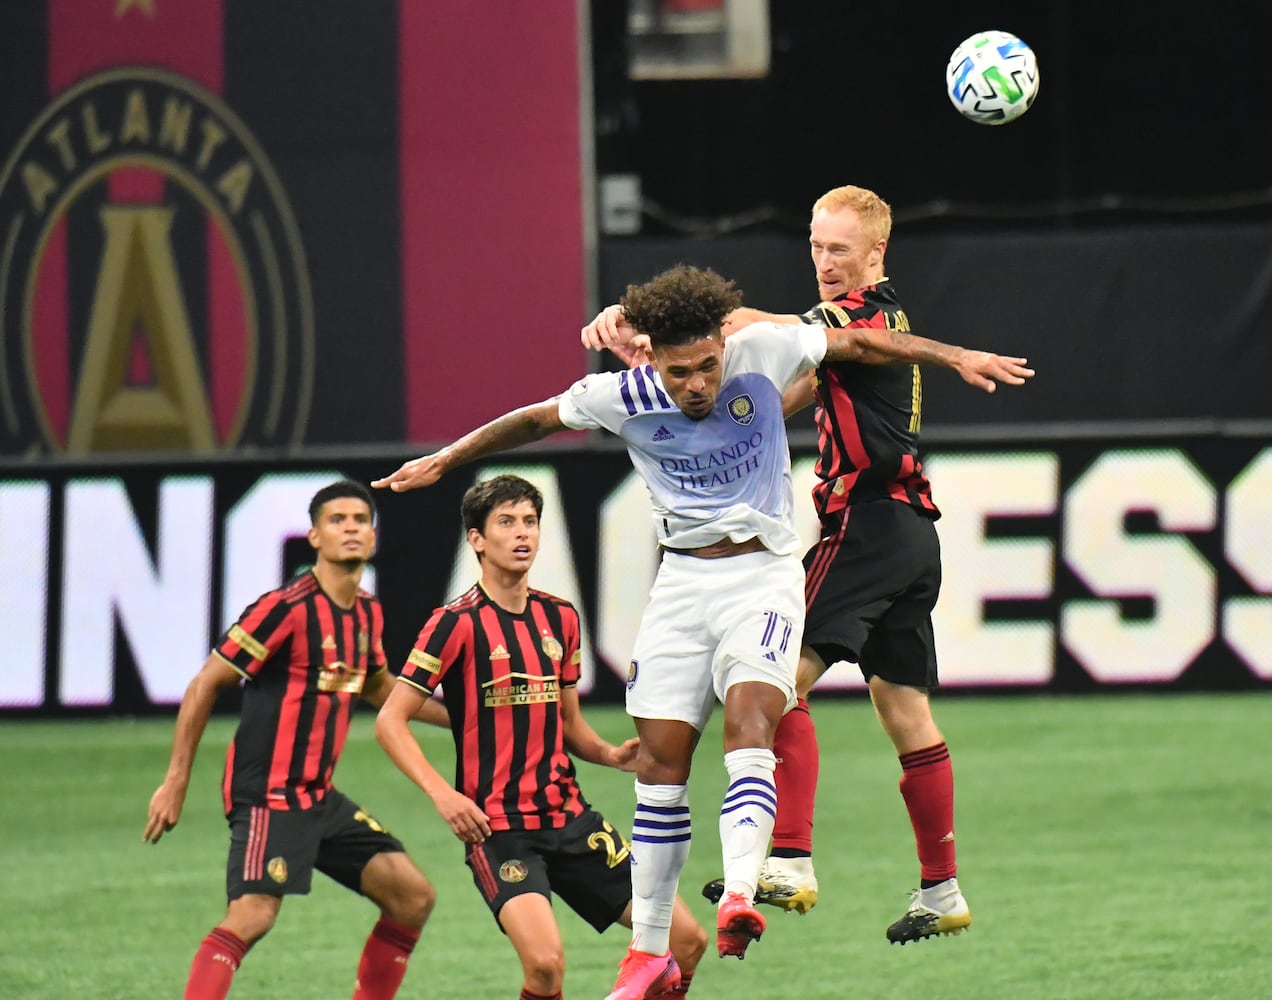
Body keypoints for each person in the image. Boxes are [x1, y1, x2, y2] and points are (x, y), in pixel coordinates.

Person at [376, 263, 1027, 995]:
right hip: (682, 584)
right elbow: (532, 418)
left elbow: (868, 345)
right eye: (680, 371)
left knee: (754, 718)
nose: (696, 386)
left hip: (763, 574)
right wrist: (446, 458)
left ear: (724, 343)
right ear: (649, 355)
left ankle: (747, 892)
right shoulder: (618, 395)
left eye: (707, 367)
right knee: (659, 766)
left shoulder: (766, 351)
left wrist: (956, 356)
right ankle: (648, 949)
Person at [605, 185, 1034, 945]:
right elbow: (789, 392)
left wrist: (642, 321)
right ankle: (942, 889)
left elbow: (753, 326)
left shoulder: (863, 313)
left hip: (864, 524)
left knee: (771, 676)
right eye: (815, 247)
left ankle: (791, 858)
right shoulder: (862, 327)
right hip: (909, 533)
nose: (825, 263)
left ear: (876, 254)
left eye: (840, 249)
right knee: (904, 712)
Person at [373, 473, 708, 1000]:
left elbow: (569, 723)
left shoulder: (561, 618)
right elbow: (390, 721)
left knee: (686, 941)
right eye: (506, 522)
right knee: (547, 967)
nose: (522, 533)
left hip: (570, 819)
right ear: (477, 539)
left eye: (530, 521)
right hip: (500, 830)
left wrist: (608, 753)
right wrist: (445, 795)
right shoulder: (453, 623)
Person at [143, 479, 447, 999]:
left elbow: (378, 686)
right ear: (313, 536)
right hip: (267, 793)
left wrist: (464, 720)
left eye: (359, 520)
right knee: (254, 913)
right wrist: (175, 781)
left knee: (411, 897)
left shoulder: (367, 612)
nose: (350, 528)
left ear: (373, 536)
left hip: (317, 797)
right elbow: (205, 685)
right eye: (337, 520)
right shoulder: (285, 608)